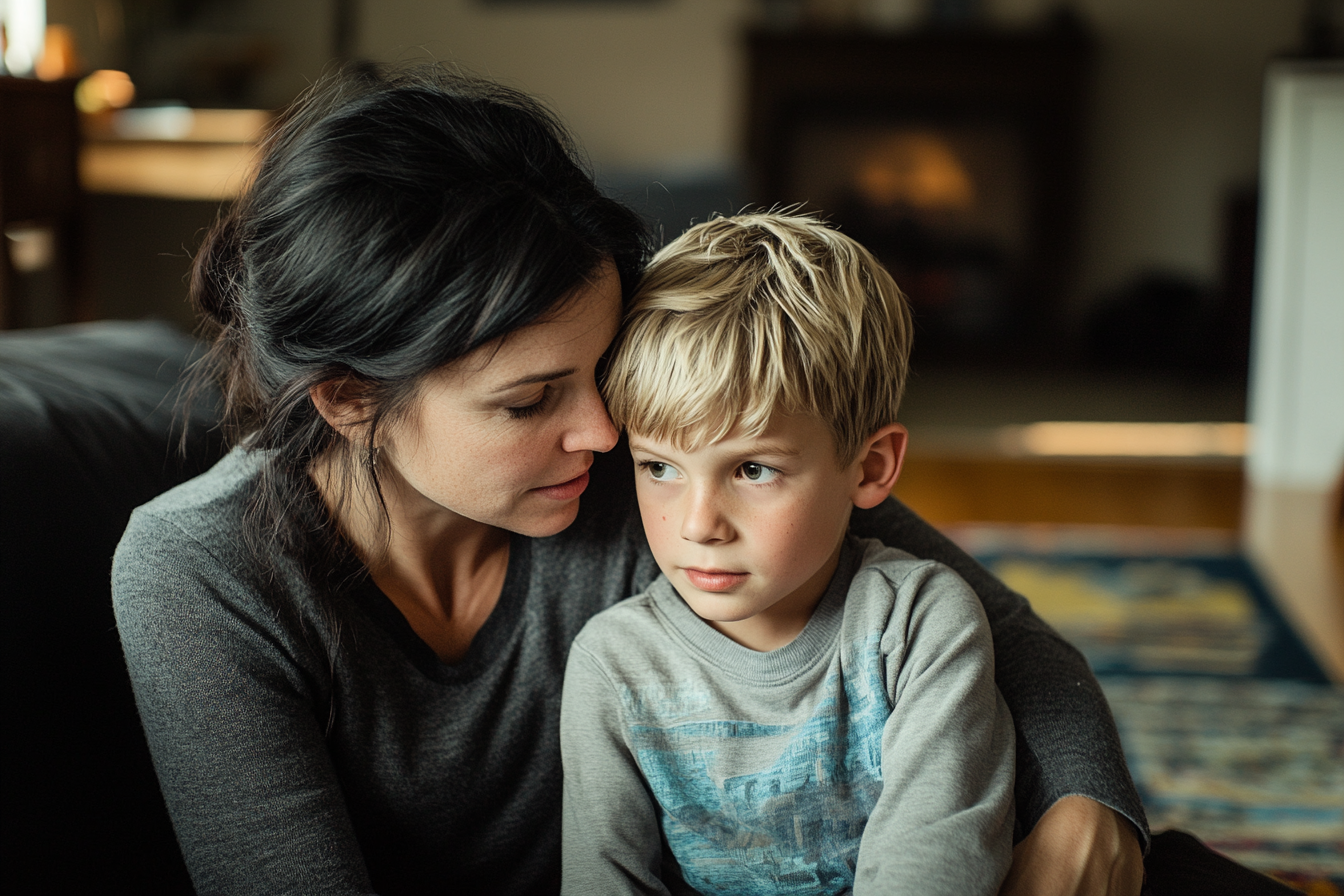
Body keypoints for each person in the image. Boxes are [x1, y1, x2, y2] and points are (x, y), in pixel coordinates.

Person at [111, 62, 1146, 896]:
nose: (604, 431)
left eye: (600, 372)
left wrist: (1091, 806)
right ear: (348, 399)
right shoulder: (199, 573)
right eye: (530, 400)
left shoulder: (650, 478)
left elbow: (998, 634)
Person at [559, 212, 1016, 895]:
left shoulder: (920, 625)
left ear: (869, 468)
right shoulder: (614, 664)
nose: (699, 523)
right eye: (659, 467)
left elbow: (934, 869)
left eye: (752, 470)